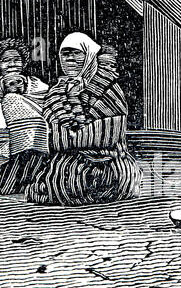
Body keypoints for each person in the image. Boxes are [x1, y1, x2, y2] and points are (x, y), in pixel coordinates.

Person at [25, 34, 141, 207]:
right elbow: (52, 137)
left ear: (89, 55)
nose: (70, 58)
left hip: (109, 163)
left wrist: (70, 137)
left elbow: (107, 135)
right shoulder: (55, 92)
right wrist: (72, 136)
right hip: (68, 162)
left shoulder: (109, 88)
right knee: (56, 184)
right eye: (65, 54)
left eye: (76, 53)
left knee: (72, 183)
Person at [0, 38, 51, 195]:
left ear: (24, 62)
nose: (12, 64)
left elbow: (47, 104)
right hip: (9, 145)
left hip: (38, 143)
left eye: (16, 60)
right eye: (6, 60)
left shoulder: (37, 85)